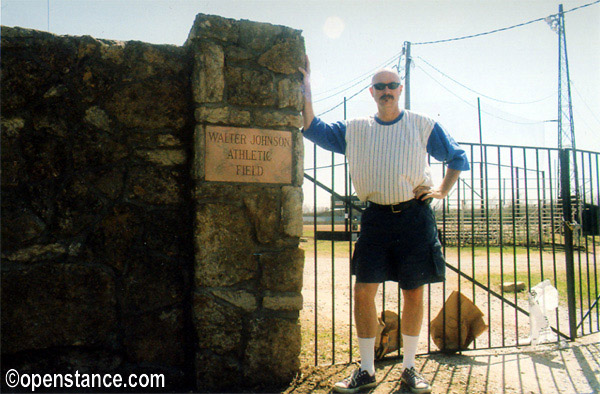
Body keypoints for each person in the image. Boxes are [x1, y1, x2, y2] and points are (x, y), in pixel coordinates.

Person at [298, 57, 469, 394]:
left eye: (392, 86)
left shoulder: (422, 124)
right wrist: (307, 86)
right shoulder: (356, 128)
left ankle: (409, 369)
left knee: (413, 292)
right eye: (380, 87)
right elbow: (312, 128)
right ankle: (365, 370)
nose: (387, 91)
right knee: (364, 291)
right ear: (372, 92)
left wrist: (442, 190)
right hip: (375, 217)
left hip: (414, 217)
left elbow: (457, 158)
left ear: (400, 90)